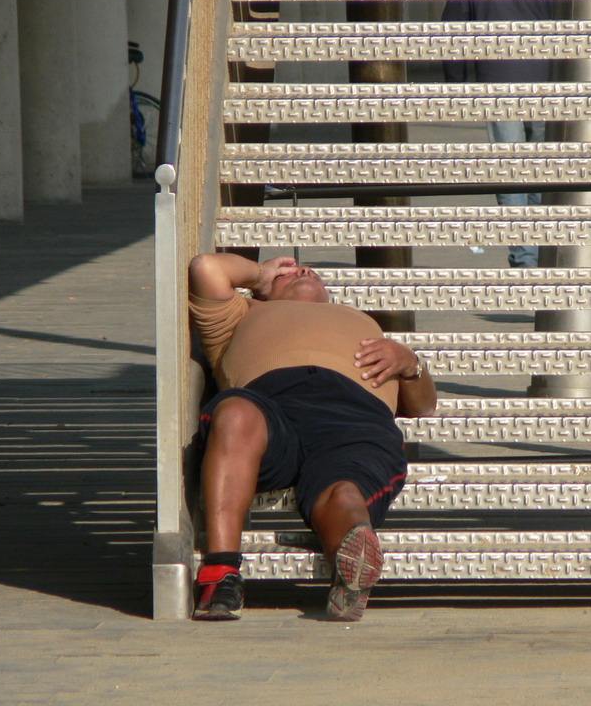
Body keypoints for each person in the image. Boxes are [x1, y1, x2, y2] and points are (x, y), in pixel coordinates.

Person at [186, 252, 437, 622]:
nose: (303, 270)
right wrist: (259, 275)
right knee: (235, 412)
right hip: (270, 408)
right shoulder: (241, 313)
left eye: (312, 272)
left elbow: (423, 407)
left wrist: (410, 364)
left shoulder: (362, 320)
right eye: (288, 271)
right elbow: (205, 267)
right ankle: (220, 573)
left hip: (355, 416)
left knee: (344, 492)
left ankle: (351, 564)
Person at [441, 0, 554, 269]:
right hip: (547, 77)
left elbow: (453, 28)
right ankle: (545, 249)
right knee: (544, 169)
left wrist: (456, 80)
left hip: (496, 77)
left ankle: (524, 257)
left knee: (509, 168)